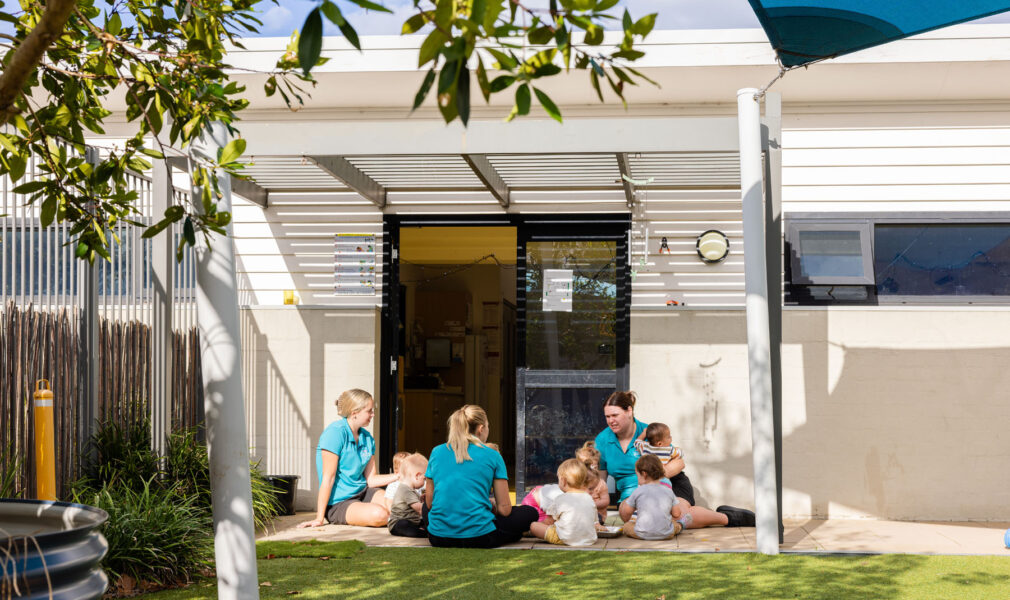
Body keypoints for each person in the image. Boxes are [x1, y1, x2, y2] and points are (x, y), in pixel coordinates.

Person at [595, 391, 754, 528]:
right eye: (607, 416)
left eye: (615, 415)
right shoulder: (602, 440)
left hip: (670, 485)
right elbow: (601, 480)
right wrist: (600, 507)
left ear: (629, 411)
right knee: (630, 518)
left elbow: (679, 462)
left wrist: (653, 480)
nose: (610, 421)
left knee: (677, 516)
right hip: (632, 495)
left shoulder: (649, 431)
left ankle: (729, 518)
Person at [425, 405, 538, 548]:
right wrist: (491, 504)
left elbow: (429, 503)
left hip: (438, 538)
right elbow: (505, 510)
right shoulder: (493, 455)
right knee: (529, 512)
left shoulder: (436, 452)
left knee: (425, 508)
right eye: (488, 427)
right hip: (480, 537)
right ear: (481, 428)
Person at [298, 389, 398, 529]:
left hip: (364, 492)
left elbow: (371, 480)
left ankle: (405, 520)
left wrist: (400, 476)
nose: (373, 414)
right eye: (369, 411)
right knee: (380, 515)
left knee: (398, 506)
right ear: (354, 413)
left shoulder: (367, 438)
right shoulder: (335, 433)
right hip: (340, 502)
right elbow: (328, 478)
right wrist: (319, 518)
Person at [529, 459, 599, 547]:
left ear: (563, 481)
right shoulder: (589, 498)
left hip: (564, 538)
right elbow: (594, 521)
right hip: (589, 539)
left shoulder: (560, 499)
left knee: (534, 526)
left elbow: (549, 521)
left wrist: (541, 525)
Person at [619, 455, 685, 540]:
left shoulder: (638, 491)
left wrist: (631, 521)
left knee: (626, 526)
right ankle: (681, 525)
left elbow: (627, 511)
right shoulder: (668, 491)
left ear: (644, 474)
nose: (637, 478)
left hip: (641, 534)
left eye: (637, 475)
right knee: (674, 524)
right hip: (666, 534)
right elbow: (677, 513)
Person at [388, 453, 428, 538]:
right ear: (417, 476)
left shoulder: (410, 489)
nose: (425, 482)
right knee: (404, 524)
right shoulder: (405, 490)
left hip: (412, 520)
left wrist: (423, 499)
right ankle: (424, 534)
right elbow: (420, 509)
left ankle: (422, 529)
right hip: (397, 524)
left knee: (421, 522)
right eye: (424, 479)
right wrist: (430, 504)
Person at [575, 442, 611, 523]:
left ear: (598, 467)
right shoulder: (577, 482)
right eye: (585, 466)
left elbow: (606, 501)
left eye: (593, 467)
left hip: (598, 516)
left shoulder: (600, 483)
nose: (589, 470)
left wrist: (592, 504)